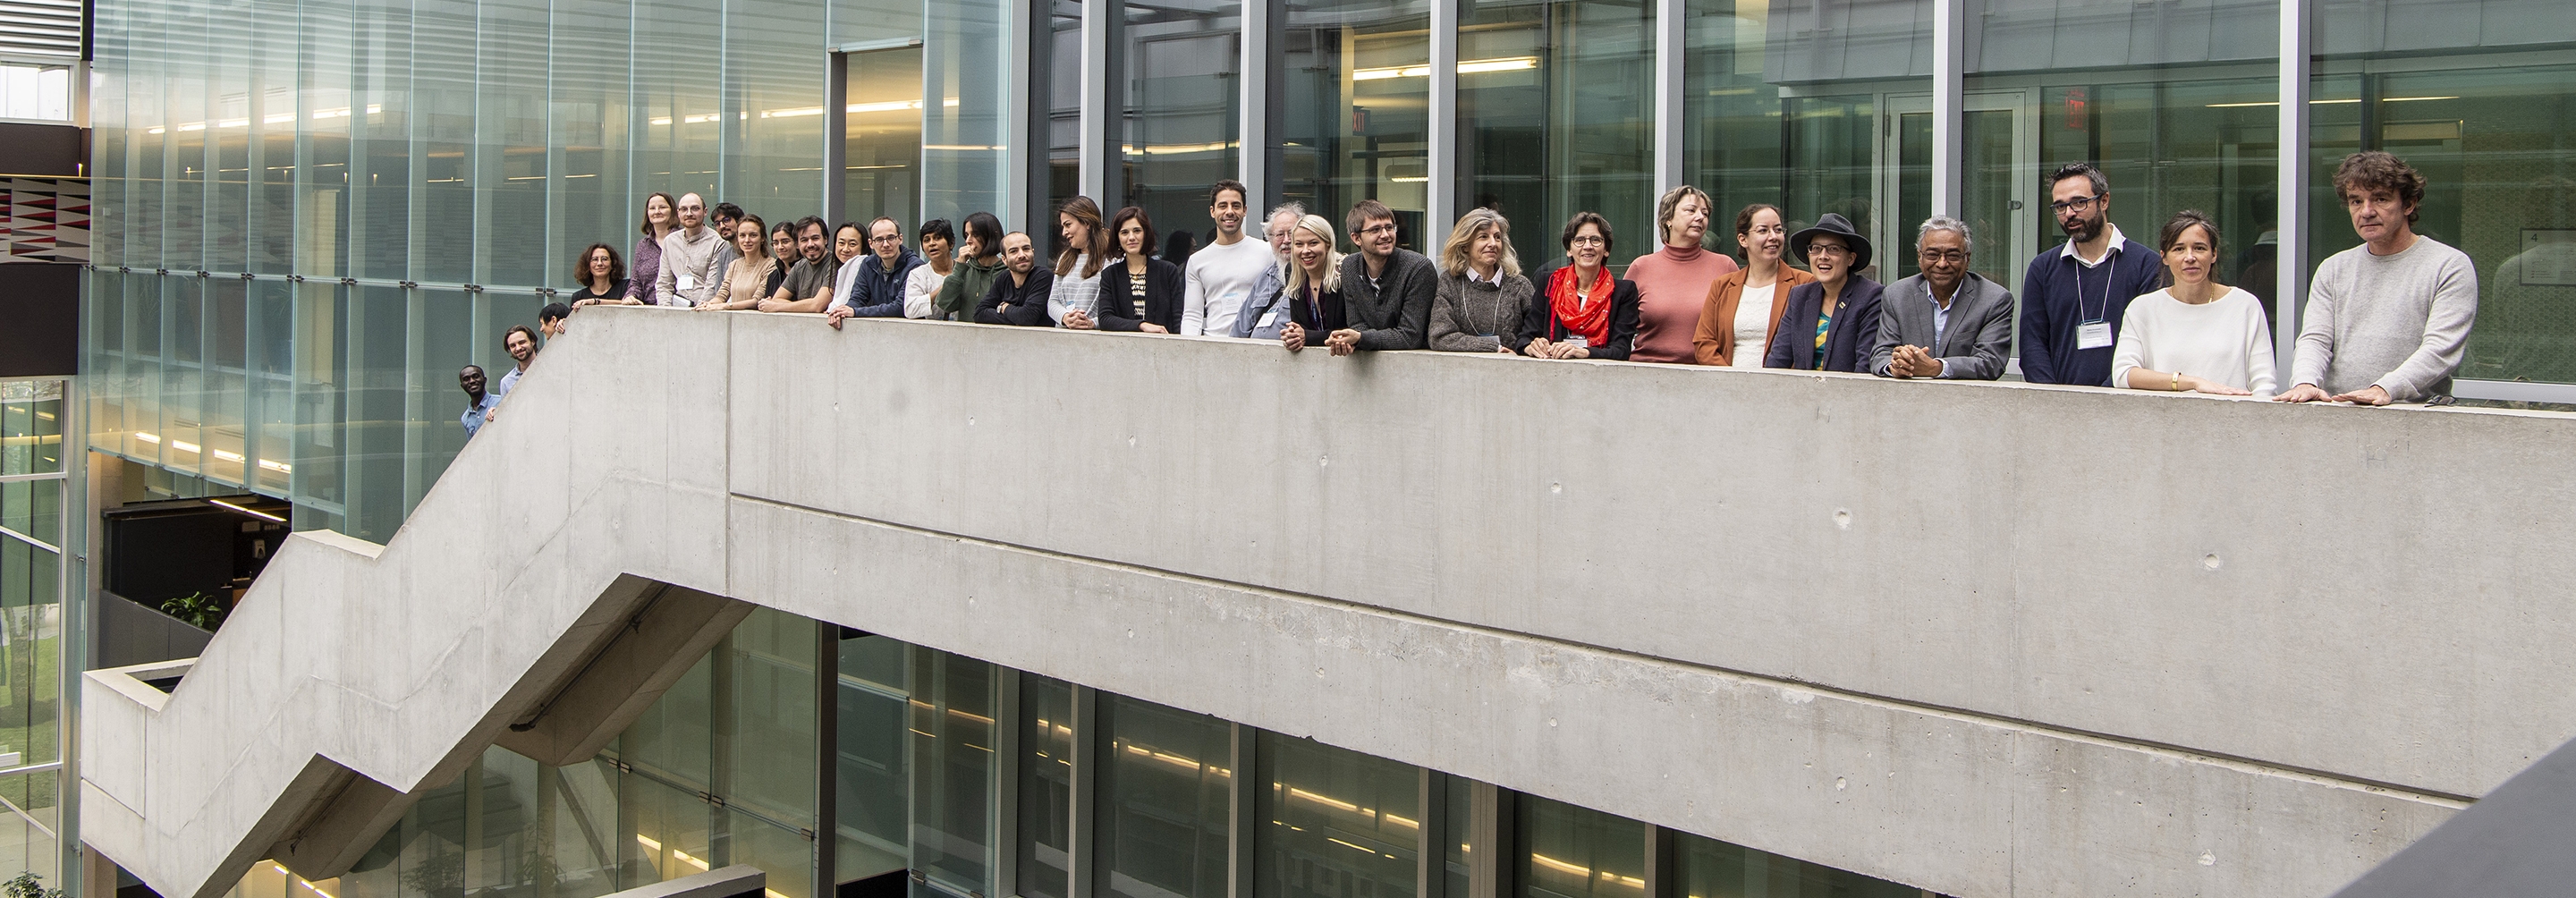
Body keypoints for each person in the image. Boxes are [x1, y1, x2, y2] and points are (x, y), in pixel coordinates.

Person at [2275, 151, 2479, 405]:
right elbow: (2315, 339)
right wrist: (2305, 381)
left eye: (2380, 199)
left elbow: (2441, 349)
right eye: (2356, 201)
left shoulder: (2448, 265)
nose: (2367, 211)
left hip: (2416, 417)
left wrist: (2384, 389)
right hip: (2339, 412)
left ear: (2409, 204)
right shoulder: (2334, 268)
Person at [2020, 163, 2163, 385]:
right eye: (2060, 206)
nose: (2069, 214)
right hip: (2058, 407)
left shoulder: (2147, 265)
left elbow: (2148, 345)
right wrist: (2051, 398)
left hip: (2123, 402)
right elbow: (2032, 344)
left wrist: (2102, 398)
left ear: (2104, 201)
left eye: (2079, 203)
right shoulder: (2043, 268)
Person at [2111, 210, 2276, 396]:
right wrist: (2194, 383)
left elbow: (2264, 384)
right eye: (2179, 249)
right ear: (2164, 257)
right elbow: (2123, 374)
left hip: (2231, 421)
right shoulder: (2142, 309)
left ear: (2214, 254)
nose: (2190, 257)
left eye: (2199, 248)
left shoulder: (2245, 305)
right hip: (2165, 421)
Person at [1870, 216, 2014, 380]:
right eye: (1933, 255)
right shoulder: (1896, 295)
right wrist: (1896, 366)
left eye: (1953, 255)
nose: (1942, 264)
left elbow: (1991, 363)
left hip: (1967, 400)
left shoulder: (1994, 300)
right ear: (1919, 257)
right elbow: (1880, 355)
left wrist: (1936, 368)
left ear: (1967, 259)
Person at [1626, 185, 1741, 363]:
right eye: (1691, 210)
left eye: (1705, 213)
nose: (1700, 217)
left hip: (1708, 374)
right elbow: (1620, 329)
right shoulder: (1642, 266)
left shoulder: (1724, 267)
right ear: (1668, 219)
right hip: (1648, 374)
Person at [1693, 204, 1816, 367]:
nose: (1773, 236)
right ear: (1743, 239)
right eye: (1763, 230)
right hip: (1728, 386)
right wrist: (1731, 379)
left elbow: (1808, 345)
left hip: (1781, 386)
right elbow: (1704, 343)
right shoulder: (1721, 286)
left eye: (1778, 230)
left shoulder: (1805, 283)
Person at [1765, 213, 1882, 372]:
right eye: (1816, 249)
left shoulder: (1871, 296)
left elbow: (1865, 366)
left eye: (1834, 249)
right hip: (1803, 393)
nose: (1823, 256)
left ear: (1851, 259)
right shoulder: (1799, 296)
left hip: (1849, 392)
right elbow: (1778, 359)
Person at [1523, 212, 1639, 360]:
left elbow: (1621, 350)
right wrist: (1532, 346)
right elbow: (1525, 338)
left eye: (1596, 240)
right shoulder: (1549, 284)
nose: (1588, 246)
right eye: (1580, 240)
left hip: (1601, 378)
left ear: (1606, 250)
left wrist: (1584, 352)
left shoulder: (1624, 292)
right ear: (1569, 250)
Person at [1328, 199, 1438, 354]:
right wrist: (1354, 338)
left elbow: (1410, 336)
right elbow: (1357, 324)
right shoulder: (1349, 267)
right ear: (1356, 238)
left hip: (1417, 365)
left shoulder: (1418, 268)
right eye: (1375, 230)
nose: (1385, 235)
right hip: (1371, 366)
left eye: (1389, 227)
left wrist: (1361, 339)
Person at [1428, 208, 1533, 354]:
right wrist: (1493, 348)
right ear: (1465, 246)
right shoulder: (1450, 282)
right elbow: (1439, 336)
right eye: (1483, 237)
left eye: (1497, 237)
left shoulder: (1520, 286)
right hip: (1464, 372)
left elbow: (1537, 334)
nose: (1493, 244)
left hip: (1513, 371)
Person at [1182, 180, 1272, 335]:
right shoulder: (1197, 261)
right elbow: (1192, 315)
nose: (1229, 212)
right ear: (1212, 211)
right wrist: (1188, 351)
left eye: (1236, 206)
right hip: (1213, 346)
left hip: (1255, 345)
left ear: (1245, 210)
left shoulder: (1266, 251)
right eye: (1223, 206)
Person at [1089, 207, 1183, 333]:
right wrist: (1141, 325)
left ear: (1146, 233)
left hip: (1163, 347)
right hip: (1124, 348)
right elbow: (1105, 319)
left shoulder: (1167, 271)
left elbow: (1178, 318)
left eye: (1137, 231)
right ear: (1117, 238)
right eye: (1124, 232)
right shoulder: (1110, 275)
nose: (1131, 237)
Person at [827, 216, 924, 327]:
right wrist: (842, 312)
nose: (886, 244)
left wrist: (855, 312)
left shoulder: (915, 266)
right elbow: (858, 298)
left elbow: (901, 307)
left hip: (910, 331)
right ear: (871, 243)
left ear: (900, 239)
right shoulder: (868, 264)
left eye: (891, 238)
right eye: (879, 240)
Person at [1229, 203, 1305, 342]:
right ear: (1270, 239)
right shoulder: (1265, 277)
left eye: (1292, 233)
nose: (1286, 240)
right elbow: (1240, 327)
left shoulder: (1313, 276)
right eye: (1280, 235)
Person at [1275, 215, 1347, 352]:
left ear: (1328, 245)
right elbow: (1299, 327)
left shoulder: (1346, 271)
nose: (1305, 251)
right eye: (1299, 244)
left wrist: (1308, 337)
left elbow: (1351, 331)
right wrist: (1293, 337)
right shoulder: (1292, 272)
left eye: (1313, 243)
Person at [1050, 197, 1114, 328]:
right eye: (1063, 227)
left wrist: (1093, 323)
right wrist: (1065, 317)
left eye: (1068, 225)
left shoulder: (1112, 258)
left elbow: (1118, 306)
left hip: (1098, 340)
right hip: (1063, 338)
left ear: (1087, 222)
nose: (1064, 232)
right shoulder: (1065, 258)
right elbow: (1053, 302)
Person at [935, 213, 1009, 322]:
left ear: (990, 236)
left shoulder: (1007, 272)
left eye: (975, 235)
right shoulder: (965, 270)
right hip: (966, 336)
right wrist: (959, 267)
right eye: (966, 235)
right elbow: (945, 304)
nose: (968, 240)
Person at [654, 192, 724, 307]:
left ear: (705, 211)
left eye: (695, 209)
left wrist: (698, 311)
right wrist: (665, 311)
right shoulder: (670, 241)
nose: (689, 213)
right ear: (678, 213)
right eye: (684, 209)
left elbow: (712, 285)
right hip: (676, 311)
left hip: (705, 311)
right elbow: (664, 283)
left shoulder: (717, 242)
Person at [697, 214, 778, 311]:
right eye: (742, 235)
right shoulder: (734, 265)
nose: (747, 240)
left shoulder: (771, 265)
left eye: (753, 235)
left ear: (762, 238)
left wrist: (725, 306)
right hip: (734, 322)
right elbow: (722, 294)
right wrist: (709, 304)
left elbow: (757, 300)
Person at [974, 232, 1057, 326]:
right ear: (1004, 259)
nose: (1022, 255)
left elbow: (1026, 318)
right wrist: (1016, 319)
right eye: (1014, 251)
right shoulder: (1003, 278)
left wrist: (1003, 307)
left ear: (1032, 252)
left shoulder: (1043, 276)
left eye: (1026, 249)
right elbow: (980, 313)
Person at [758, 216, 839, 313]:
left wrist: (777, 307)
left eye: (815, 238)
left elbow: (818, 305)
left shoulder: (835, 264)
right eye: (804, 240)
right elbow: (777, 299)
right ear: (797, 244)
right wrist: (804, 306)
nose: (810, 244)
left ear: (825, 239)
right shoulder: (799, 266)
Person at [618, 192, 674, 306]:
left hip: (679, 310)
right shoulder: (643, 245)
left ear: (672, 211)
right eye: (652, 208)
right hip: (649, 311)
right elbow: (636, 282)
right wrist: (630, 296)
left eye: (662, 207)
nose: (657, 211)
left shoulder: (683, 239)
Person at [903, 219, 957, 319]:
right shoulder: (918, 274)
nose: (932, 243)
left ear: (951, 243)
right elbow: (910, 310)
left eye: (937, 238)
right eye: (927, 240)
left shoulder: (965, 271)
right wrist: (945, 287)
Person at [568, 242, 629, 308]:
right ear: (588, 265)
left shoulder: (626, 287)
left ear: (613, 264)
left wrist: (595, 302)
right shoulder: (579, 297)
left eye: (604, 259)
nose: (599, 263)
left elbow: (631, 305)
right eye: (594, 259)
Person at [496, 325, 539, 396]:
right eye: (513, 346)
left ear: (532, 342)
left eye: (522, 342)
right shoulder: (506, 382)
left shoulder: (549, 367)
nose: (518, 348)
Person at [459, 365, 501, 438]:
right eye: (466, 379)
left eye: (476, 376)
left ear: (484, 380)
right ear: (462, 386)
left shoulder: (500, 402)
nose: (472, 381)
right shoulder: (465, 418)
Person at [709, 202, 746, 275]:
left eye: (726, 220)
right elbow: (719, 285)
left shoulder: (750, 249)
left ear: (739, 221)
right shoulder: (724, 255)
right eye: (717, 224)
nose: (722, 226)